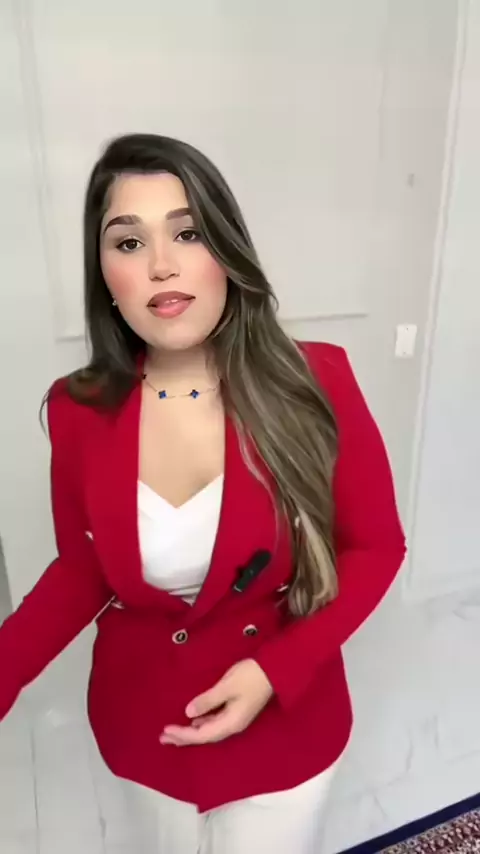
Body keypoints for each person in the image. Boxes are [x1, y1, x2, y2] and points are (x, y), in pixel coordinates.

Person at [0, 133, 406, 853]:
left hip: (286, 730)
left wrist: (275, 670)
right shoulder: (77, 407)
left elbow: (375, 548)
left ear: (227, 249)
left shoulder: (316, 380)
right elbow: (83, 569)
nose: (161, 263)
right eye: (129, 242)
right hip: (143, 728)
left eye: (187, 233)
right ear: (104, 273)